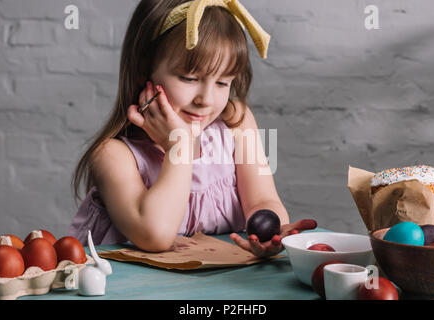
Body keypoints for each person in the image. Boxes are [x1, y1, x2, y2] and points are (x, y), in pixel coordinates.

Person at [69, 0, 316, 258]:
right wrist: (180, 146)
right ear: (145, 67)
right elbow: (156, 234)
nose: (206, 99)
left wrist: (269, 233)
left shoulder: (236, 123)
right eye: (189, 78)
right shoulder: (113, 155)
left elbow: (263, 201)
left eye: (222, 82)